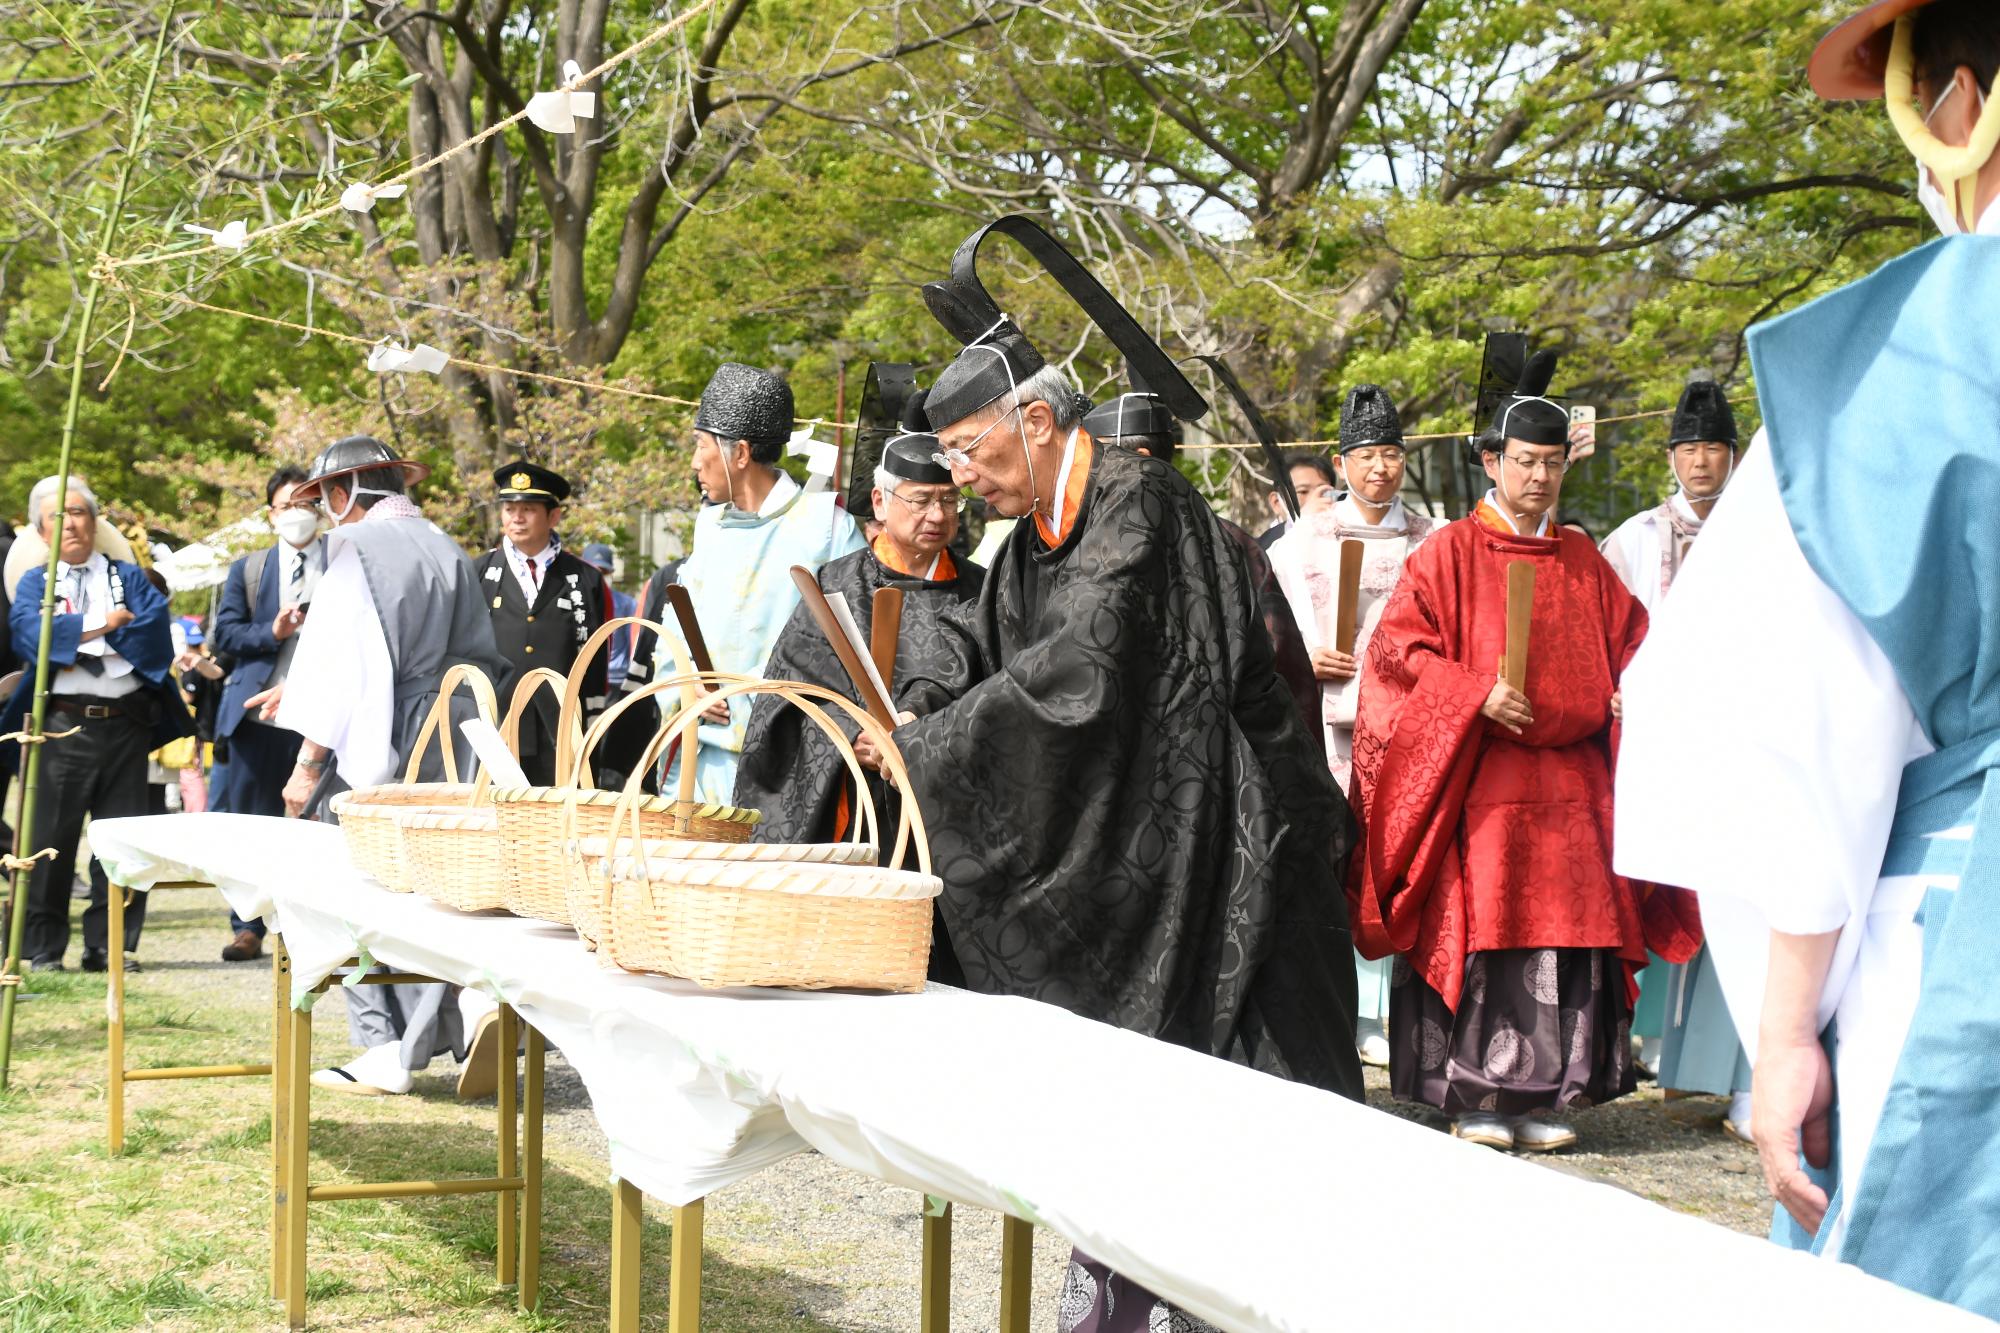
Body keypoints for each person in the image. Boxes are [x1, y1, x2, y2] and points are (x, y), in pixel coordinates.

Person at [867, 217, 1361, 1332]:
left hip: (1237, 863)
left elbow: (1079, 674)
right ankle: (1124, 1299)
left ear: (1036, 422)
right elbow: (998, 661)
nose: (962, 480)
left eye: (974, 455)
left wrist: (930, 749)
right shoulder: (1033, 533)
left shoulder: (1137, 504)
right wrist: (917, 721)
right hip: (1144, 869)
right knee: (1128, 1119)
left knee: (1251, 1124)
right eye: (945, 463)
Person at [1617, 2, 2000, 1312]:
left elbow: (1813, 728)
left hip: (1959, 944)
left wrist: (1780, 1038)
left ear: (1953, 108)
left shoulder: (1905, 364)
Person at [1346, 350, 1699, 1152]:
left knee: (1570, 935)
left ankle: (1548, 1094)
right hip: (1483, 782)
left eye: (1551, 463)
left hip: (1574, 784)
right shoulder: (1446, 555)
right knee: (1485, 932)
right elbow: (1397, 659)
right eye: (1525, 462)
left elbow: (1637, 645)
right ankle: (1473, 1094)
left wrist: (1629, 696)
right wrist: (1472, 693)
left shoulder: (1583, 560)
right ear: (1492, 462)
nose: (1539, 478)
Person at [259, 435, 509, 1098]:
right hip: (460, 730)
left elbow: (344, 669)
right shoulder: (448, 545)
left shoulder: (355, 552)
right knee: (445, 885)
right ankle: (471, 998)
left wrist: (308, 763)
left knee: (351, 879)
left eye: (326, 498)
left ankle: (384, 1044)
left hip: (390, 730)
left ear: (345, 493)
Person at [735, 421, 985, 981]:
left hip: (949, 821)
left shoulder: (984, 593)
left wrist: (921, 732)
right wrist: (854, 739)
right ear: (880, 499)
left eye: (951, 501)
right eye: (920, 501)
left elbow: (999, 693)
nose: (937, 517)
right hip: (849, 812)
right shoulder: (833, 587)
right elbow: (787, 700)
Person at [1600, 375, 1753, 1139]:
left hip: (1740, 738)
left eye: (1713, 448)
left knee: (1732, 889)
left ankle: (1722, 1065)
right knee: (1651, 881)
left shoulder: (1766, 533)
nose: (1701, 462)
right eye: (1688, 448)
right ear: (1671, 457)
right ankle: (1645, 1040)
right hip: (1656, 742)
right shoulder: (1631, 539)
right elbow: (1602, 634)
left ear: (1733, 454)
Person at [1269, 384, 1437, 1068]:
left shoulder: (1433, 537)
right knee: (1339, 863)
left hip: (1407, 731)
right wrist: (1303, 656)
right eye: (1367, 455)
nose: (1380, 468)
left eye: (1392, 454)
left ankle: (1398, 1009)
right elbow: (1270, 623)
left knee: (1398, 865)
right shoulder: (1300, 540)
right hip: (1328, 727)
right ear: (1341, 464)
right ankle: (1348, 1007)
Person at [2, 476, 192, 972]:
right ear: (42, 532)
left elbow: (152, 633)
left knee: (122, 840)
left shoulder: (128, 577)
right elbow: (29, 636)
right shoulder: (34, 583)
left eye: (79, 513)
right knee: (49, 840)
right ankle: (42, 947)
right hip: (59, 728)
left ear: (94, 521)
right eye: (57, 517)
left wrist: (68, 639)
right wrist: (106, 625)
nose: (71, 525)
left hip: (125, 726)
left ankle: (109, 944)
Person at [659, 363, 863, 802]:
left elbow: (844, 652)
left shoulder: (828, 529)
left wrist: (744, 693)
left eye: (701, 445)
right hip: (697, 762)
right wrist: (684, 682)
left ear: (740, 453)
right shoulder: (709, 525)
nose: (695, 462)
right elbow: (671, 629)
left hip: (785, 767)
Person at [1082, 390, 1322, 755]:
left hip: (1224, 752)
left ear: (1139, 461)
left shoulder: (1228, 544)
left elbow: (1279, 660)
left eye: (1096, 461)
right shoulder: (1093, 544)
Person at [208, 463, 326, 961]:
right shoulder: (250, 569)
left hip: (320, 713)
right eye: (286, 506)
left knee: (319, 819)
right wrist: (271, 634)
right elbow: (225, 635)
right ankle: (247, 924)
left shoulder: (344, 561)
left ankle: (315, 922)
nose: (296, 514)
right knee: (252, 819)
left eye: (306, 504)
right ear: (270, 514)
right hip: (257, 711)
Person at [471, 462, 610, 786]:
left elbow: (597, 660)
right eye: (509, 508)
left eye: (528, 509)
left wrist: (588, 725)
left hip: (561, 728)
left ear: (554, 516)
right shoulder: (480, 572)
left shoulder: (584, 579)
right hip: (498, 725)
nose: (516, 518)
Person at [581, 543, 637, 690]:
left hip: (616, 679)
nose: (599, 577)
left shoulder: (627, 604)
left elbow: (633, 642)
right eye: (594, 571)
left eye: (604, 572)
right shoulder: (574, 602)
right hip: (581, 677)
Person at [1257, 451, 1338, 548]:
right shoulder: (1259, 550)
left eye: (1323, 491)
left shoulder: (1348, 538)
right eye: (1303, 492)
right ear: (1276, 503)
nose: (1315, 499)